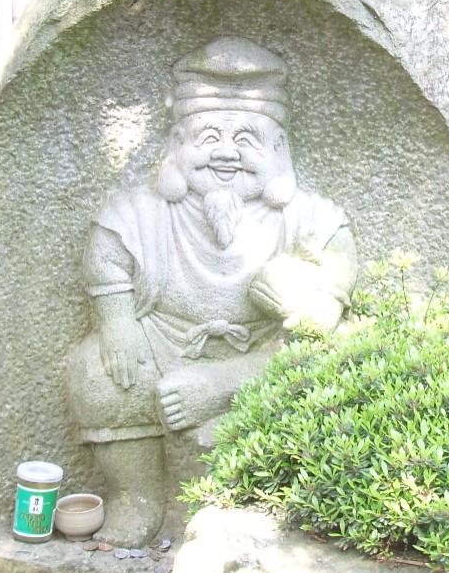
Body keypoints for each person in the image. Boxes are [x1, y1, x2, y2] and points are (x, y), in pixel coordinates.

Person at [66, 36, 357, 544]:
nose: (226, 152)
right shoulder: (141, 212)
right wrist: (117, 322)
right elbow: (107, 255)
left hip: (262, 357)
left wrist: (299, 302)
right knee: (97, 369)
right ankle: (138, 498)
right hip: (165, 343)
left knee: (339, 354)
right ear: (177, 145)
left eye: (246, 139)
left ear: (279, 150)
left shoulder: (314, 221)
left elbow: (325, 319)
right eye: (208, 137)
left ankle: (273, 506)